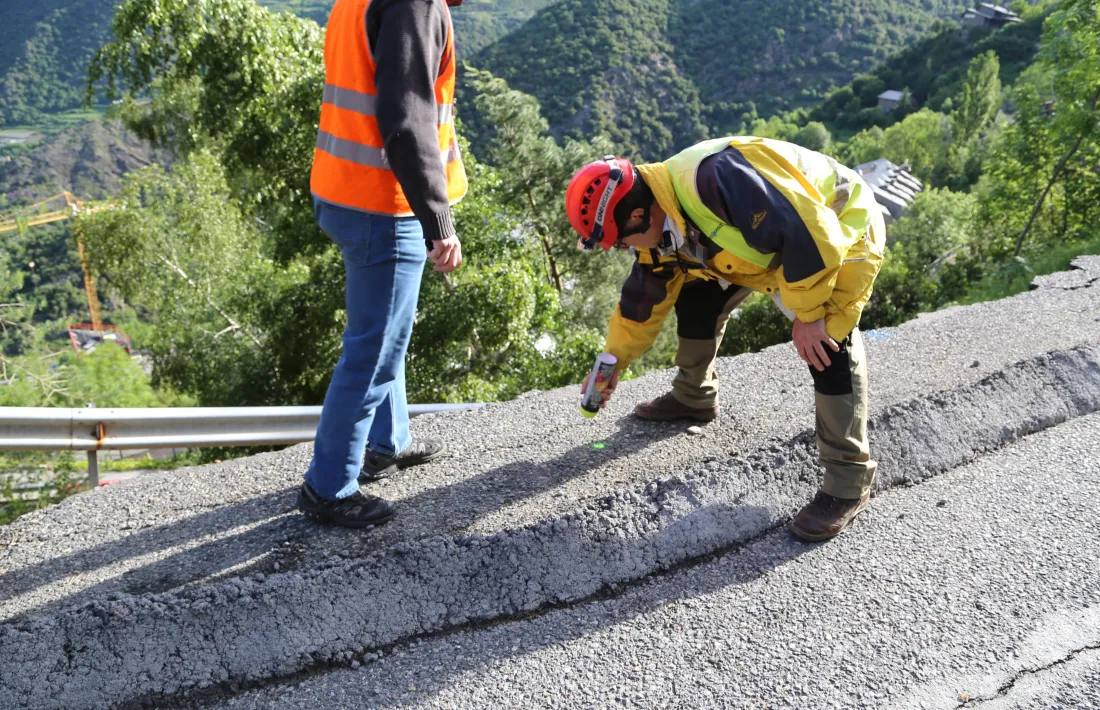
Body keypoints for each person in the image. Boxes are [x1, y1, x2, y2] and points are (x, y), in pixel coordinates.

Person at [566, 136, 885, 541]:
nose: (621, 250)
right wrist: (613, 360)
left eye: (620, 241)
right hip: (772, 247)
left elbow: (812, 237)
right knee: (696, 293)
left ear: (638, 215)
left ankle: (848, 484)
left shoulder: (717, 181)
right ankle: (694, 397)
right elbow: (642, 301)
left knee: (826, 344)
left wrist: (807, 317)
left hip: (840, 231)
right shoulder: (662, 216)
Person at [298, 0, 468, 528]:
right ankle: (328, 487)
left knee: (386, 331)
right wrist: (437, 219)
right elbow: (407, 118)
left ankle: (386, 443)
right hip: (381, 202)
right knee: (373, 348)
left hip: (341, 187)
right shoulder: (412, 4)